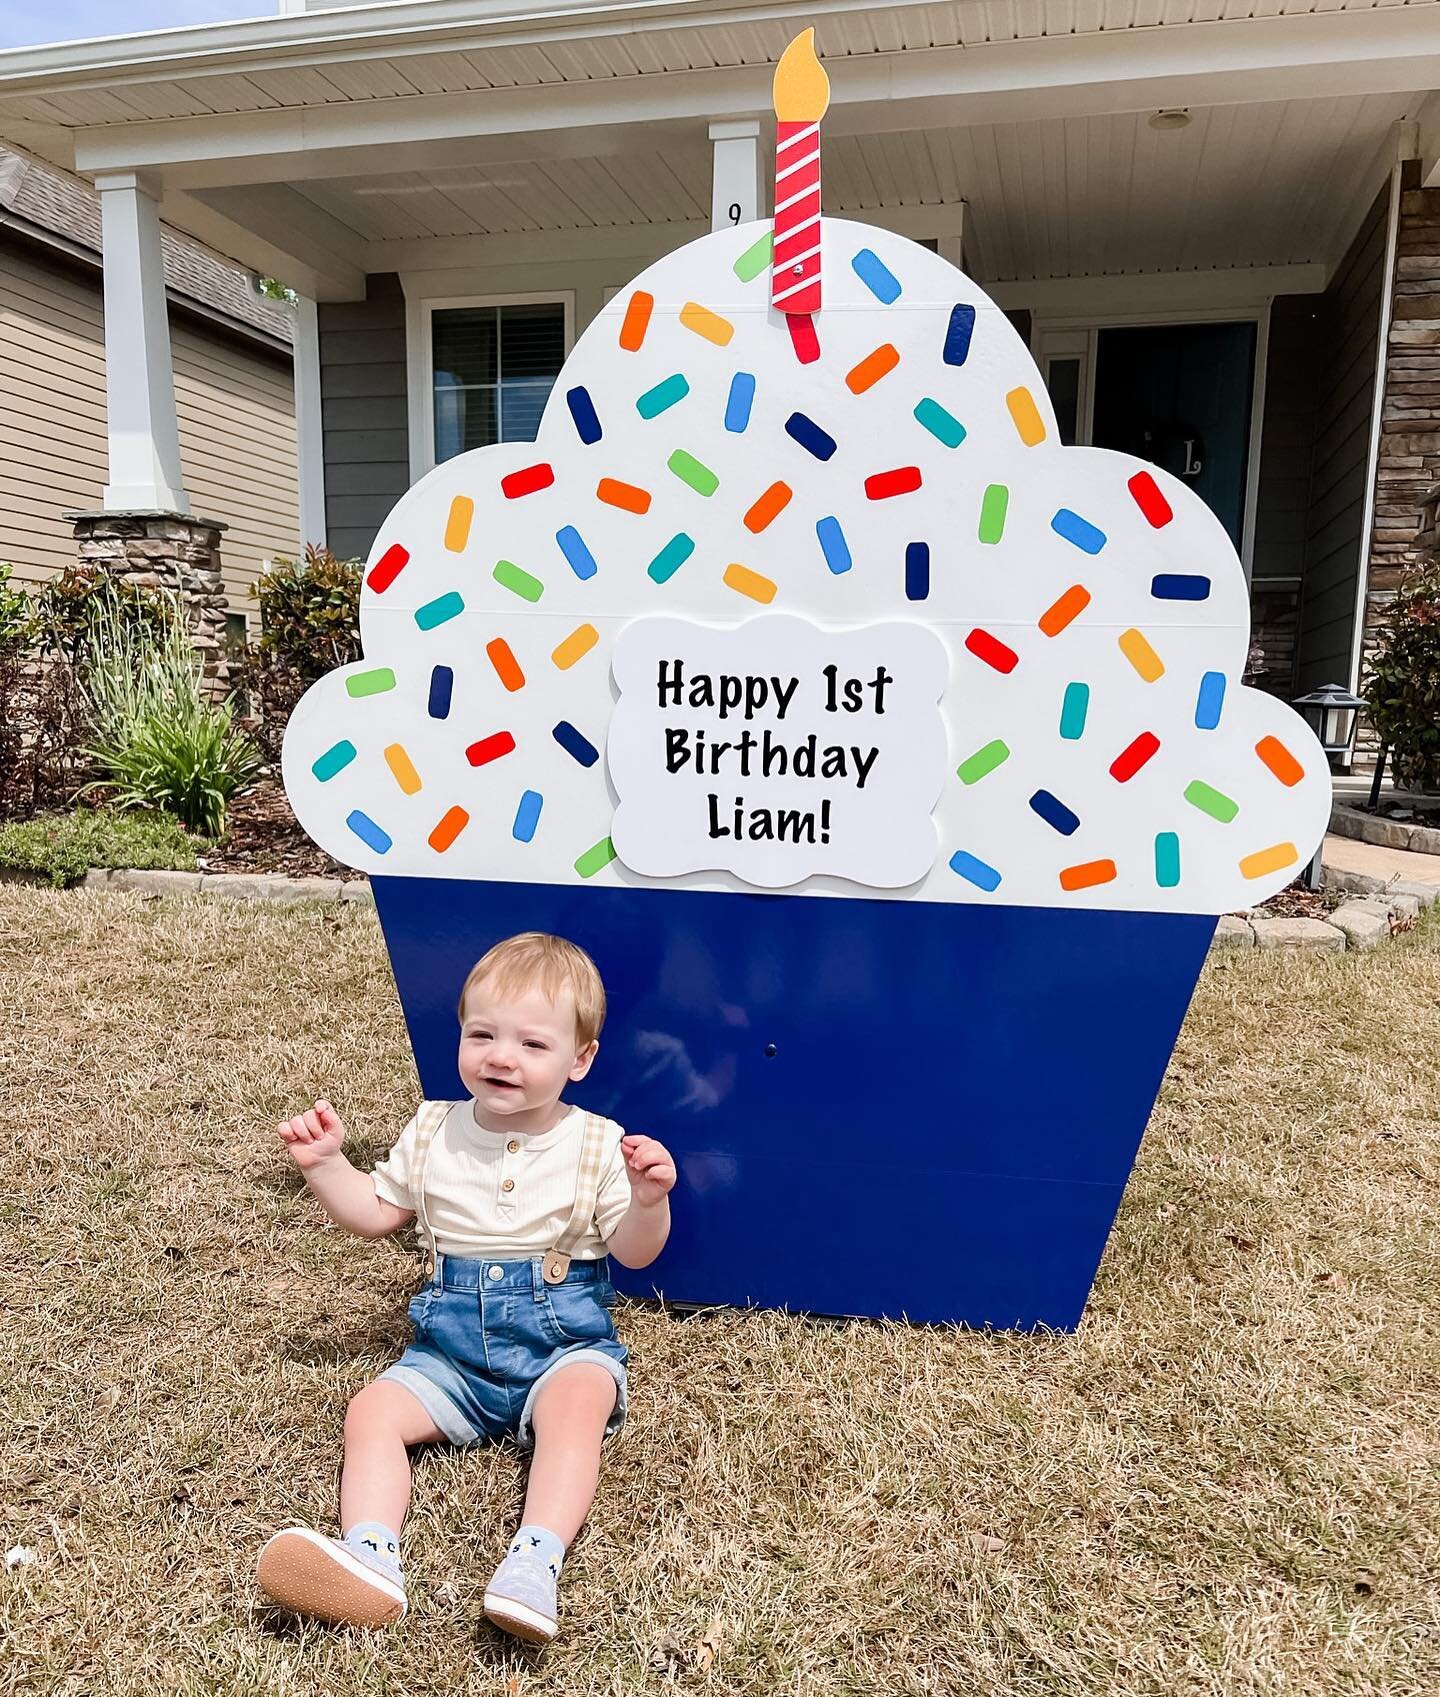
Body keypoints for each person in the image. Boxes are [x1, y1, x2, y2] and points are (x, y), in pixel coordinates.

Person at [256, 932, 676, 1644]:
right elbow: (376, 1213)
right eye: (481, 1033)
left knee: (577, 1409)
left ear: (581, 1059)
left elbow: (634, 1253)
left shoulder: (599, 1142)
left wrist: (647, 1199)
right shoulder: (432, 1130)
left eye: (532, 1045)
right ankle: (370, 1555)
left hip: (562, 1346)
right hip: (448, 1357)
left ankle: (534, 1561)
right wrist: (326, 1166)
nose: (501, 1056)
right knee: (372, 1411)